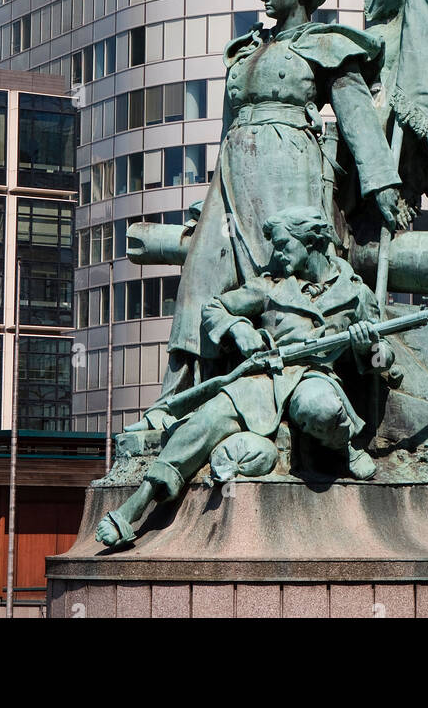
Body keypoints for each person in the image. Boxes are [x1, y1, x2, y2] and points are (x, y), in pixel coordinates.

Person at [159, 0, 402, 400]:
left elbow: (357, 119)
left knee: (283, 279)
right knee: (201, 277)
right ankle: (180, 398)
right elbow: (228, 128)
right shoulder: (245, 49)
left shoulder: (327, 45)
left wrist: (382, 184)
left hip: (289, 171)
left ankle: (291, 388)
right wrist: (209, 192)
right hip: (233, 176)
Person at [96, 208, 389, 548]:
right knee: (203, 423)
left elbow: (386, 360)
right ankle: (137, 504)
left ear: (311, 242)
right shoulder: (270, 287)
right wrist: (239, 328)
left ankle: (344, 448)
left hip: (313, 375)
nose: (276, 254)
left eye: (282, 245)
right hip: (261, 380)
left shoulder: (356, 292)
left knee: (320, 408)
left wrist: (367, 348)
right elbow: (214, 308)